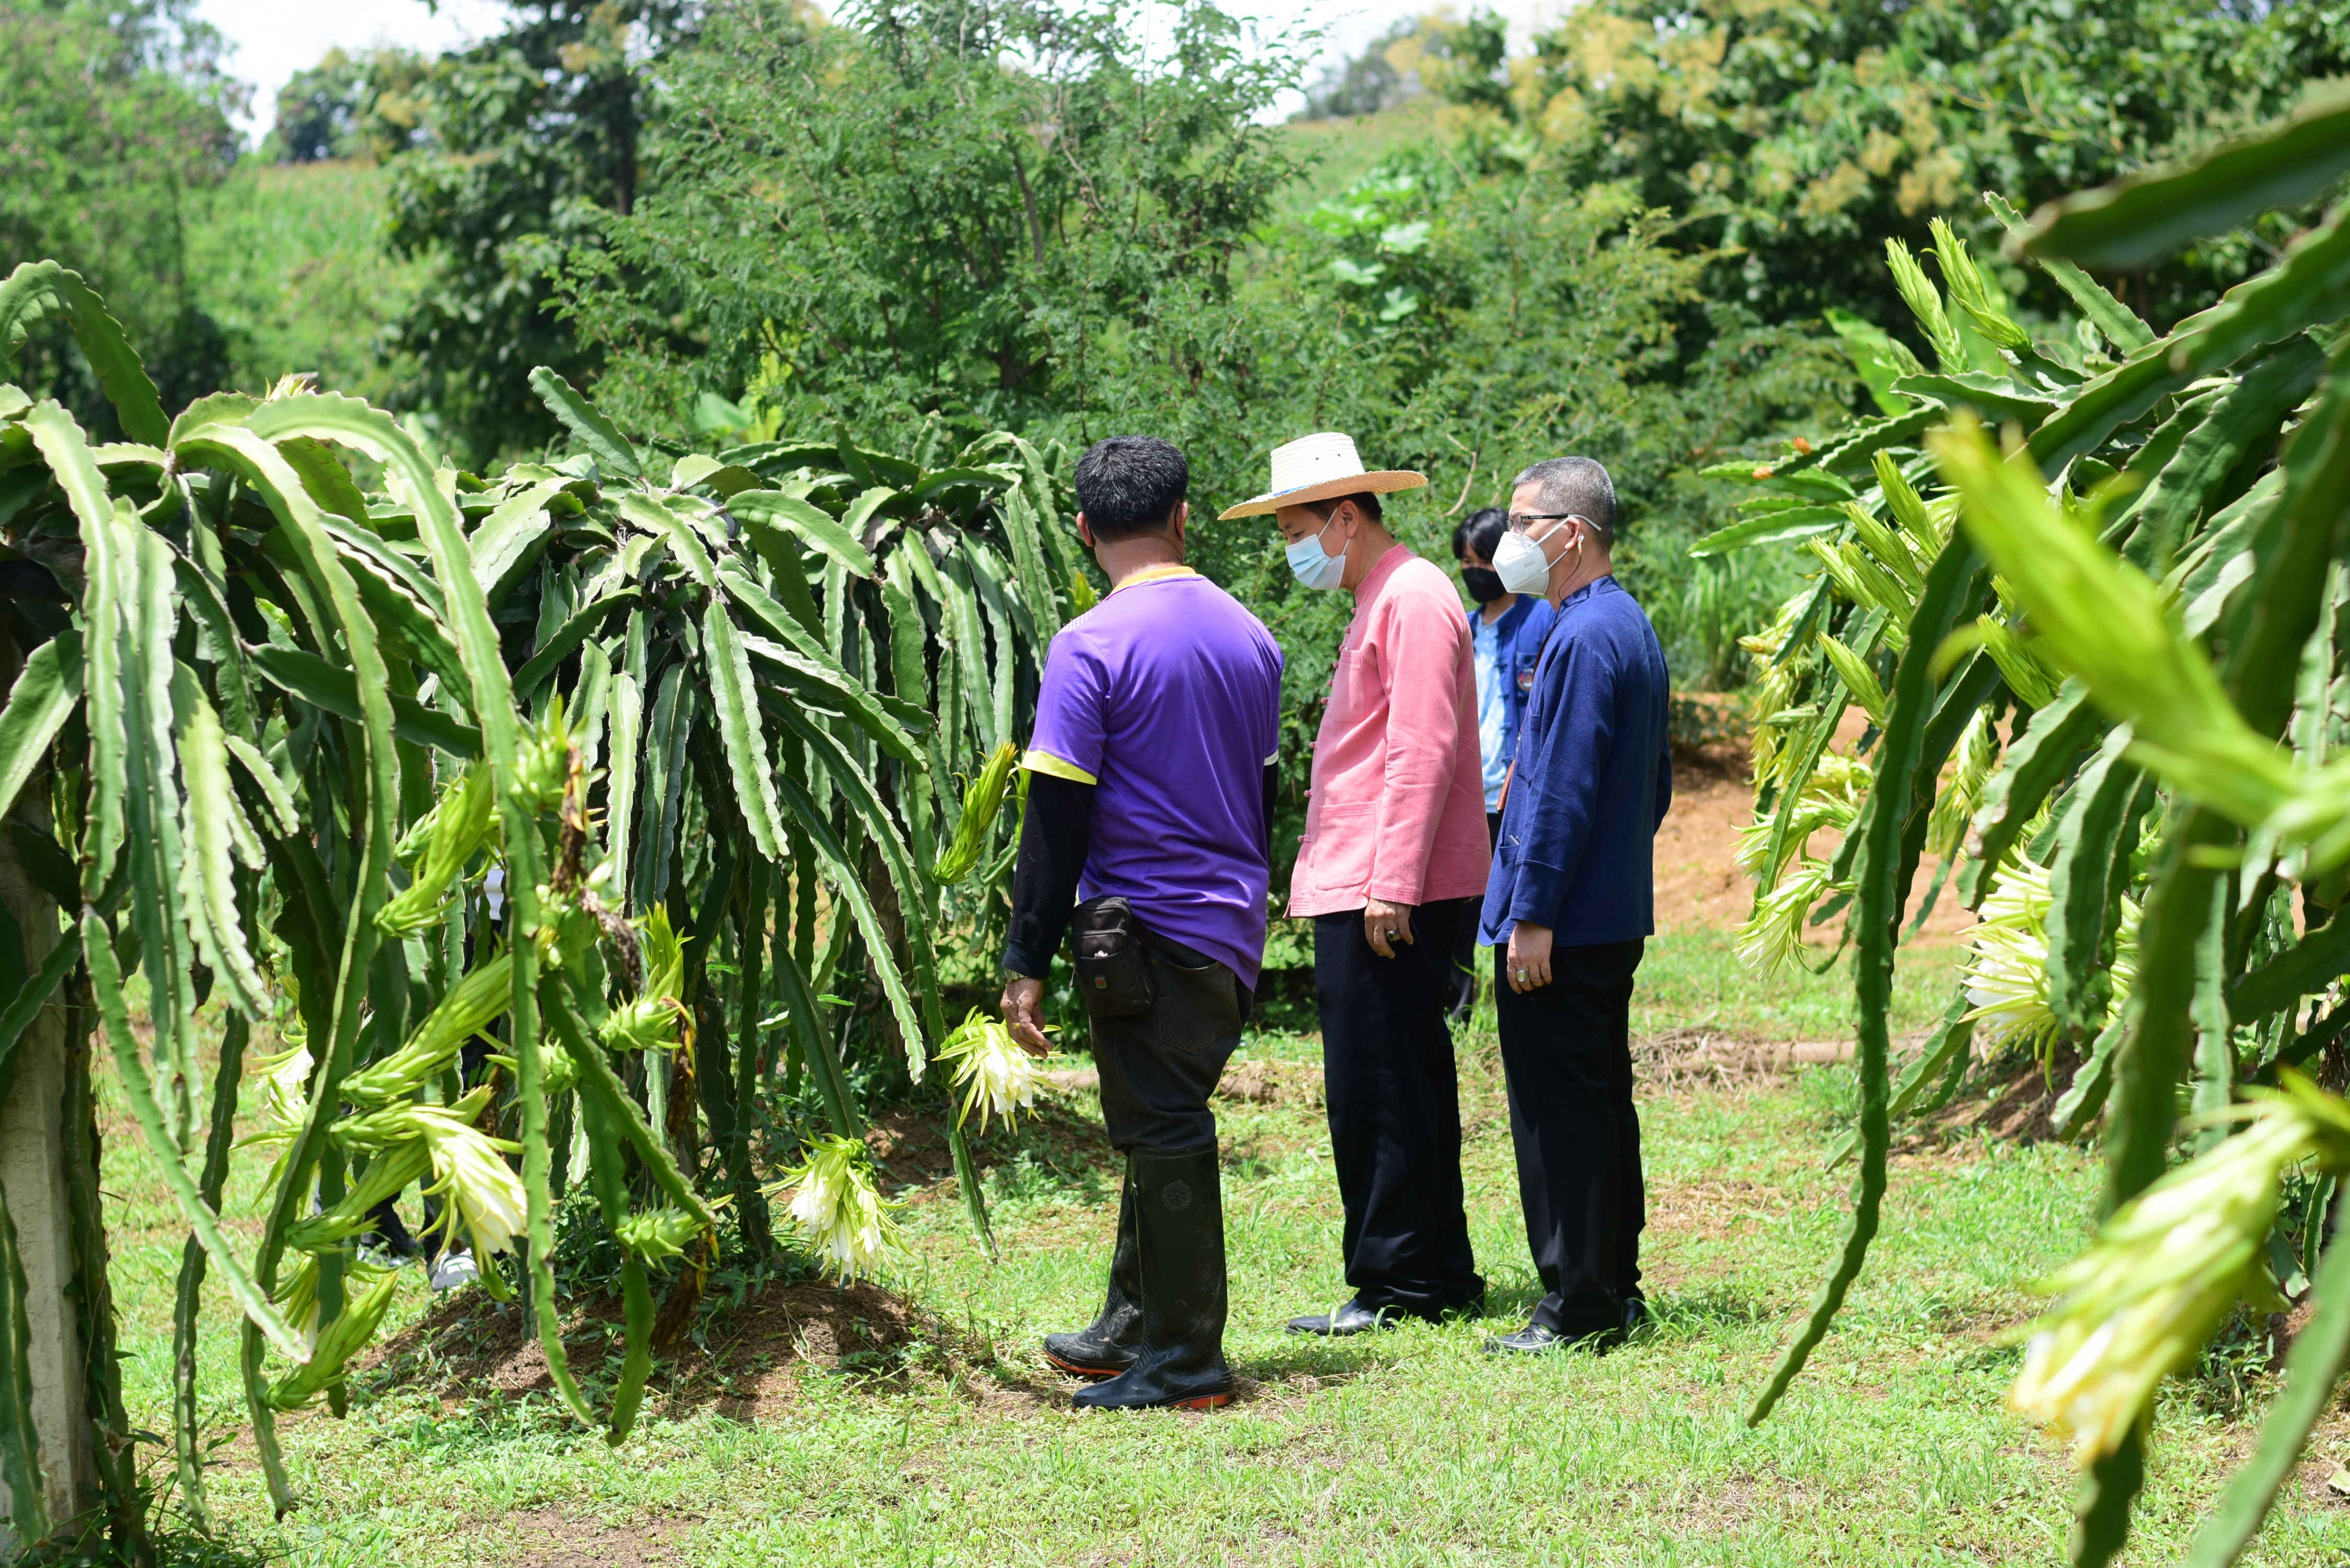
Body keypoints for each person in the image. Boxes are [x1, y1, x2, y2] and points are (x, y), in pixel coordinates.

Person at [1000, 435, 1284, 1411]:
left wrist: (1021, 958)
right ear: (1183, 518)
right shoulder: (1252, 635)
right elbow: (1264, 790)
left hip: (1144, 931)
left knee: (1163, 1127)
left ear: (1083, 531)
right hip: (1230, 926)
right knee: (1156, 1121)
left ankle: (1189, 1359)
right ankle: (1130, 1324)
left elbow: (1057, 814)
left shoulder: (1090, 644)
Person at [1219, 431, 1490, 1336]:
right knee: (1391, 1078)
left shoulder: (1410, 597)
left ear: (1345, 517)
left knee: (1382, 1084)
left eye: (1295, 525)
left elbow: (1421, 747)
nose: (1291, 546)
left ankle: (1400, 1282)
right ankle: (1426, 1270)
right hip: (1366, 879)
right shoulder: (1386, 596)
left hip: (1383, 886)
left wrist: (1393, 883)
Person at [1477, 456, 1672, 1354]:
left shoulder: (1585, 636)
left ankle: (1577, 1304)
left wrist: (1535, 911)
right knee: (1596, 1104)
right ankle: (1609, 1289)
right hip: (1606, 908)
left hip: (1566, 921)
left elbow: (1557, 789)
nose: (1507, 540)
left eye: (1523, 523)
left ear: (1572, 534)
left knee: (1561, 1115)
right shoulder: (1619, 625)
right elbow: (1652, 788)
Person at [1445, 508, 1554, 1023]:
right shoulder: (1462, 629)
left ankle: (1518, 1006)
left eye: (1480, 561)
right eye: (1464, 562)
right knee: (1459, 913)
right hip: (1466, 795)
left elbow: (1543, 710)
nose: (1473, 572)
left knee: (1513, 904)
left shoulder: (1540, 621)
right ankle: (1458, 1013)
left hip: (1511, 795)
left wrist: (1520, 768)